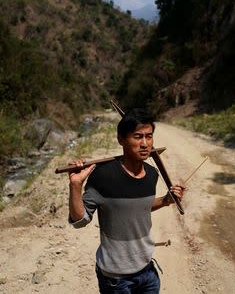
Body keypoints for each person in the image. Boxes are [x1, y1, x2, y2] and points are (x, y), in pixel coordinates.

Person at [68, 108, 185, 294]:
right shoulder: (103, 175)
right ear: (121, 140)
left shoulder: (152, 174)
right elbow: (80, 221)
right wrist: (75, 185)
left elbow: (139, 208)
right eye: (138, 137)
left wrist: (165, 200)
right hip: (116, 279)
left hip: (147, 271)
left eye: (149, 136)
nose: (145, 143)